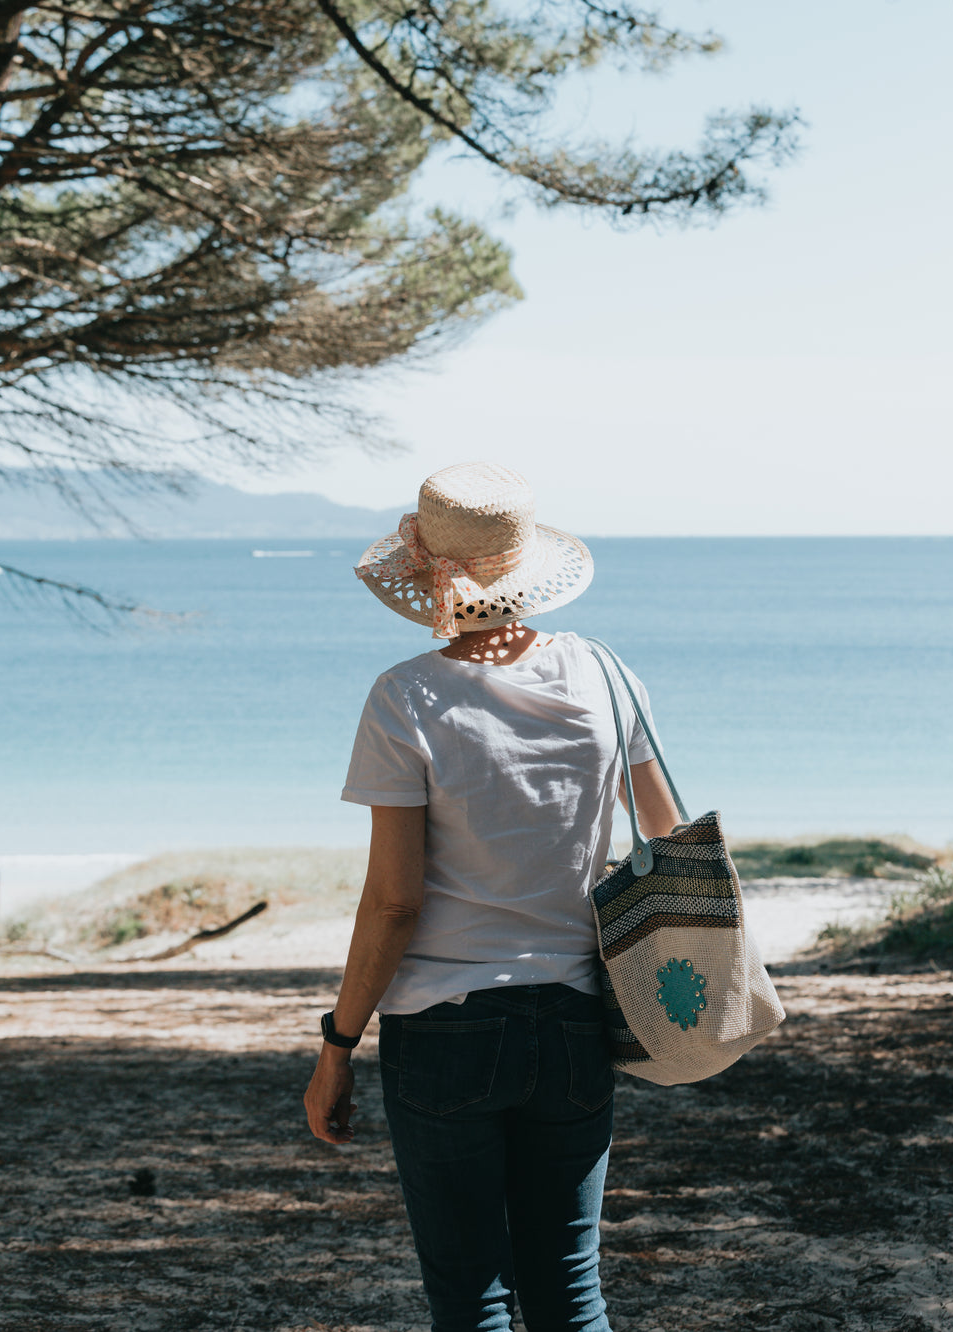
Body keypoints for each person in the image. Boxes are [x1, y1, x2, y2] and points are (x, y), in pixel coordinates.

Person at [304, 461, 680, 1332]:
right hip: (578, 1016)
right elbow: (664, 837)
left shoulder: (406, 698)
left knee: (471, 1295)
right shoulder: (607, 677)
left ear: (430, 569)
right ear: (526, 568)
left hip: (446, 1028)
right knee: (569, 1288)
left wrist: (338, 1045)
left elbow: (395, 903)